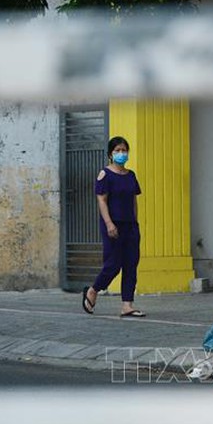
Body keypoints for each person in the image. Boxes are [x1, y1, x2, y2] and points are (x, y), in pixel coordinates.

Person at [82, 136, 145, 317]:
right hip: (113, 225)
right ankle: (93, 290)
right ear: (110, 154)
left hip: (130, 226)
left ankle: (127, 304)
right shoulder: (105, 175)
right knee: (113, 264)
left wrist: (135, 222)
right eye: (117, 151)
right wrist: (109, 223)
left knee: (131, 264)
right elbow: (101, 200)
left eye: (124, 150)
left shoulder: (131, 175)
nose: (121, 154)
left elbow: (134, 200)